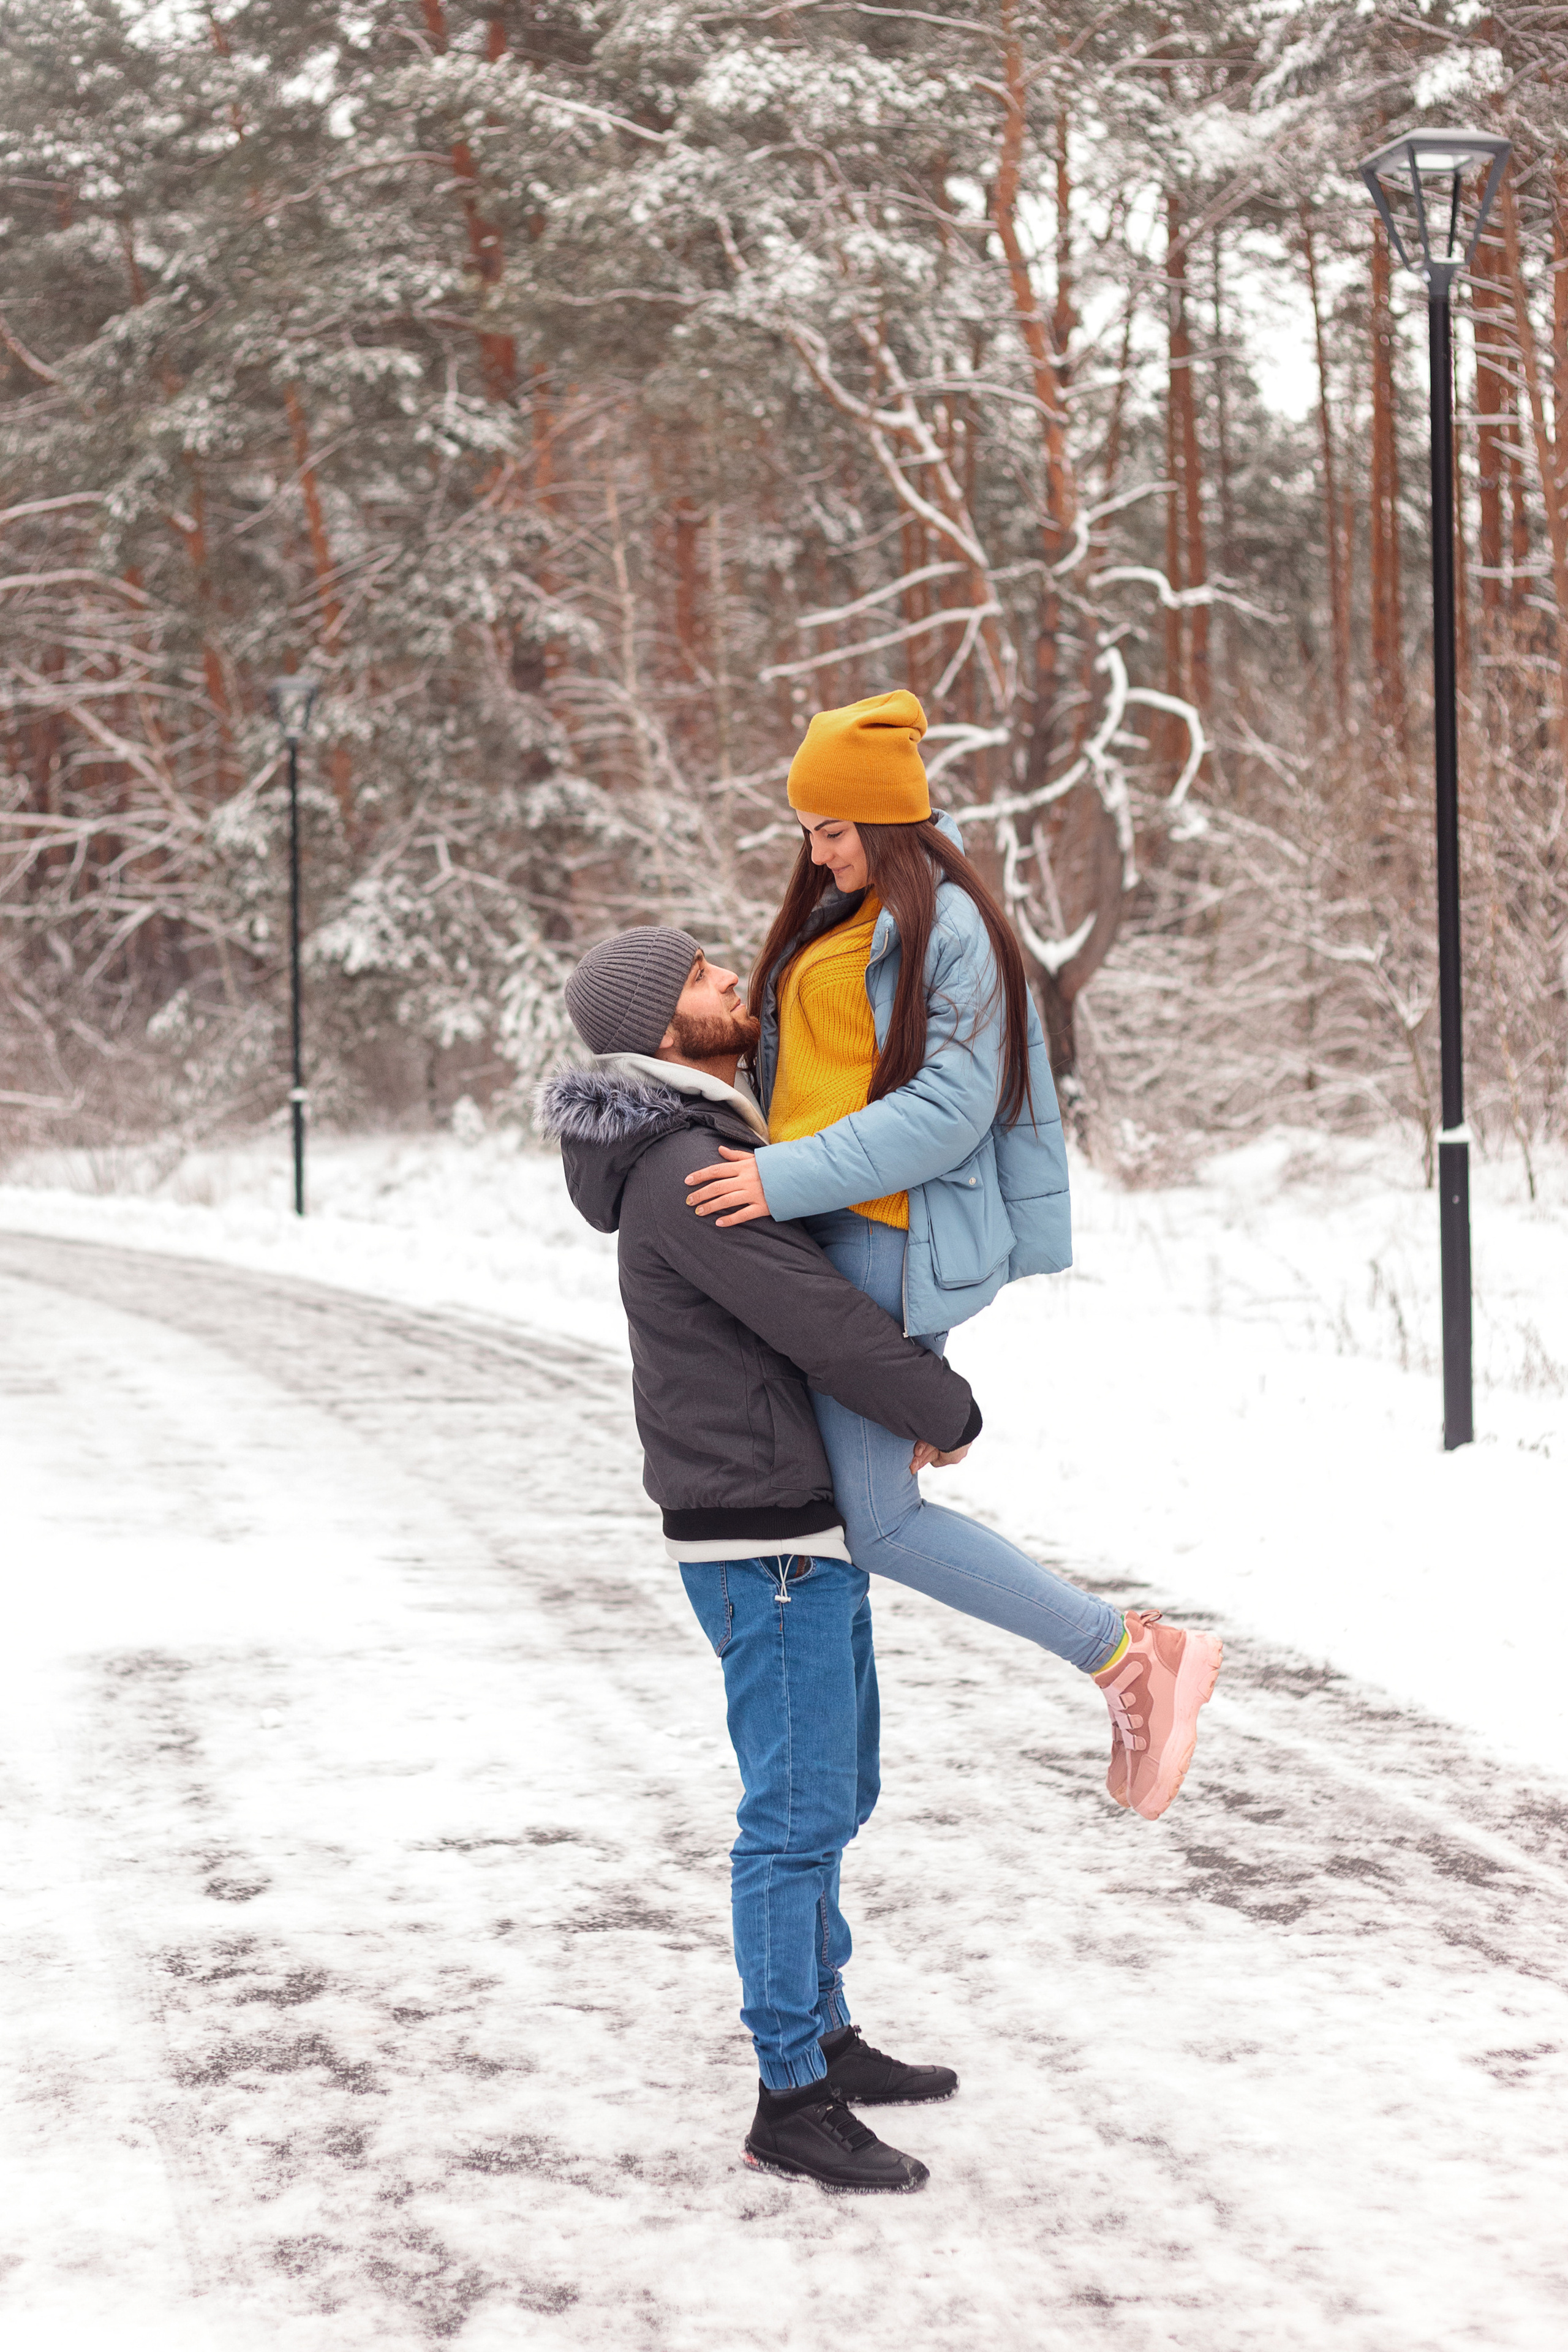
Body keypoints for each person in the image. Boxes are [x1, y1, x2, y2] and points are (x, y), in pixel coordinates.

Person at [681, 689, 1223, 1824]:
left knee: (878, 1524)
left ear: (886, 818)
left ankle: (1127, 1654)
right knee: (853, 1515)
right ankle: (857, 1776)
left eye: (833, 829)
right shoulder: (847, 916)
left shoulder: (954, 930)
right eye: (809, 830)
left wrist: (778, 1179)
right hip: (827, 1237)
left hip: (879, 1237)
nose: (816, 852)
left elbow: (947, 1112)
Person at [537, 924, 982, 2194]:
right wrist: (939, 1408)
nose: (729, 977)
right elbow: (814, 1314)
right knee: (792, 1821)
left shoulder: (706, 1141)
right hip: (764, 1537)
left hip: (792, 1521)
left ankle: (826, 2035)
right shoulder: (688, 1165)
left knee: (836, 1794)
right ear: (655, 1027)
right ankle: (788, 2096)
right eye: (698, 977)